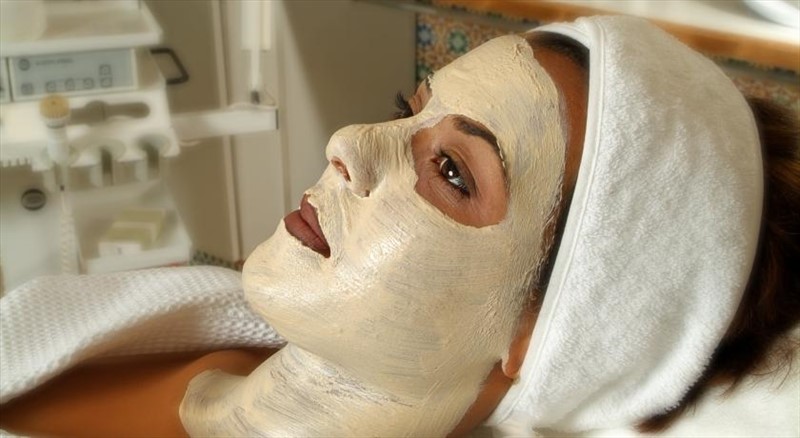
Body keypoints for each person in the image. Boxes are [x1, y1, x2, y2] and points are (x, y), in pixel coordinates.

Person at [1, 16, 798, 437]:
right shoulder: (192, 343)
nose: (347, 142)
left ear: (544, 341)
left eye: (451, 171)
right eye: (407, 111)